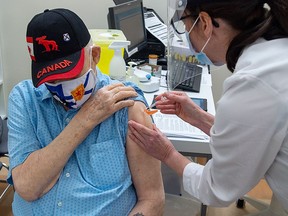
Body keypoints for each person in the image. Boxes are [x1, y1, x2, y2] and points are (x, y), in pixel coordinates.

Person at [128, 0, 288, 214]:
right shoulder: (274, 51)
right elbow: (251, 134)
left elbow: (216, 189)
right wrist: (199, 118)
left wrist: (167, 153)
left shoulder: (254, 82)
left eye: (186, 29)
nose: (189, 42)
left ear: (204, 22)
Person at [7, 8, 164, 215]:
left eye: (70, 74)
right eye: (52, 80)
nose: (63, 87)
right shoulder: (25, 99)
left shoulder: (128, 105)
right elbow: (27, 187)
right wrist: (85, 120)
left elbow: (152, 199)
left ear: (95, 56)